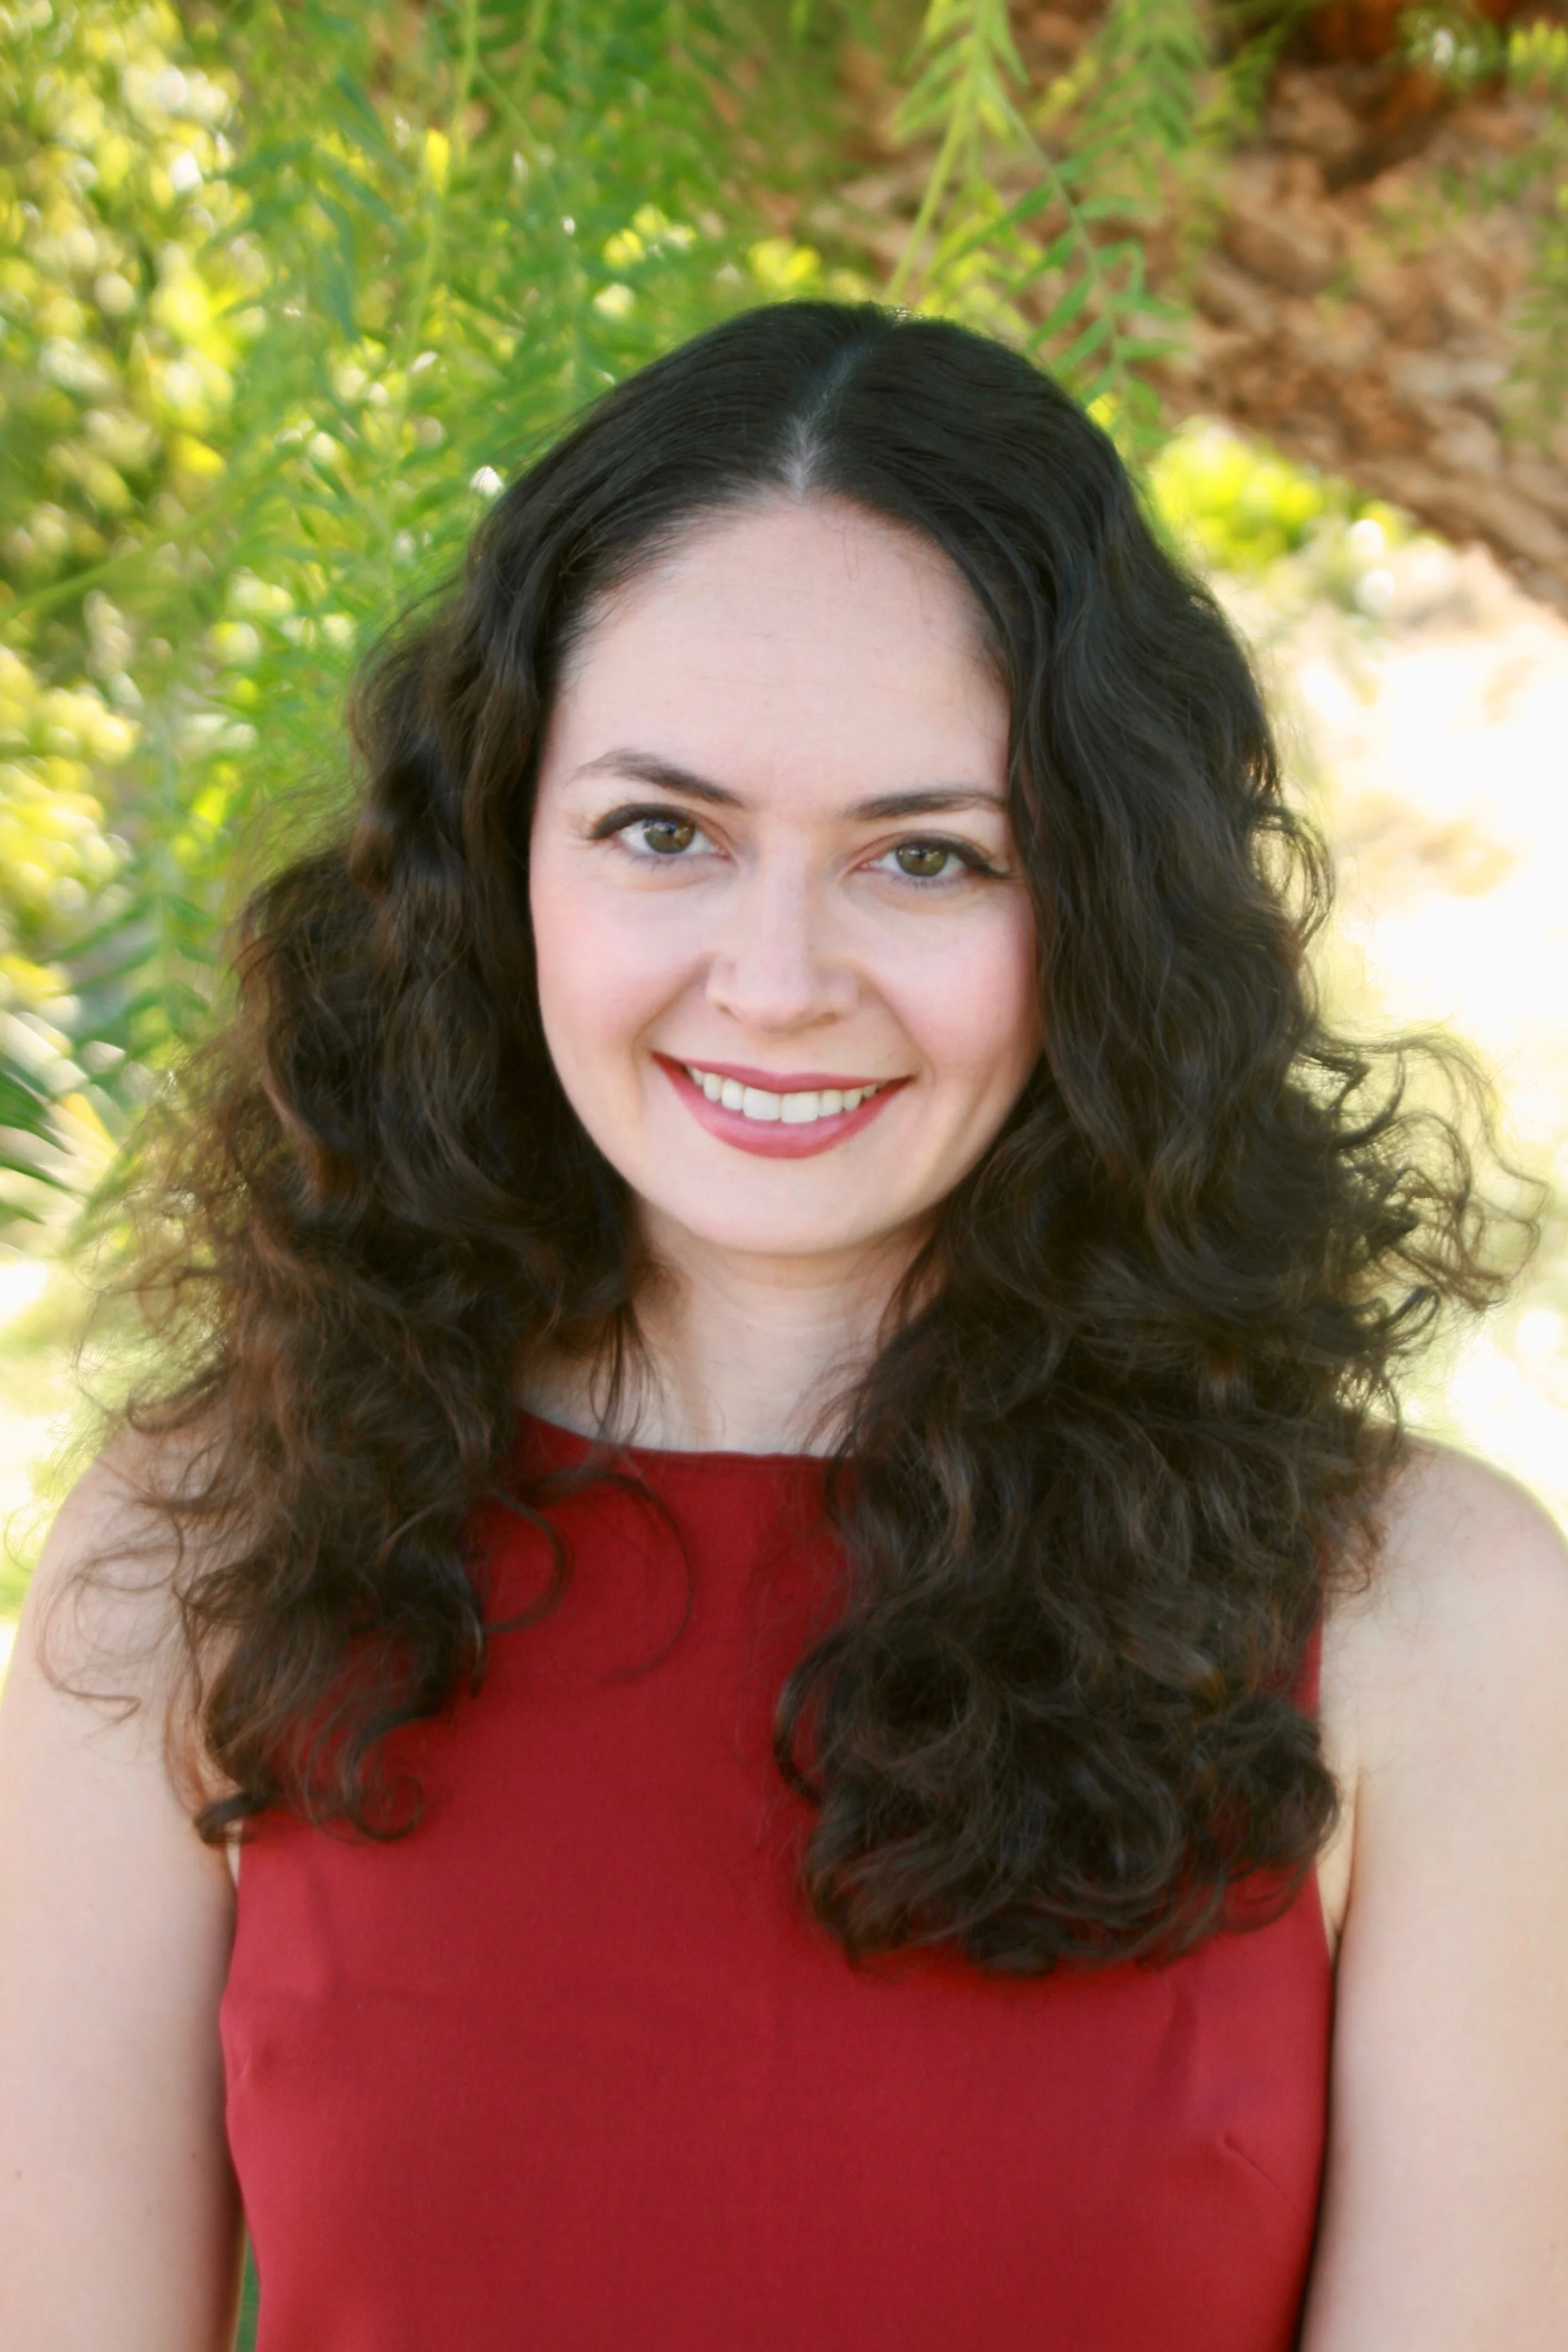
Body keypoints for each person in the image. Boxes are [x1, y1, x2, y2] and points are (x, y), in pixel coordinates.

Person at [1, 300, 1565, 2352]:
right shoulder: (194, 1556)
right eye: (665, 829)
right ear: (502, 857)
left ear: (1101, 911)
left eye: (925, 856)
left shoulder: (1424, 1620)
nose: (774, 976)